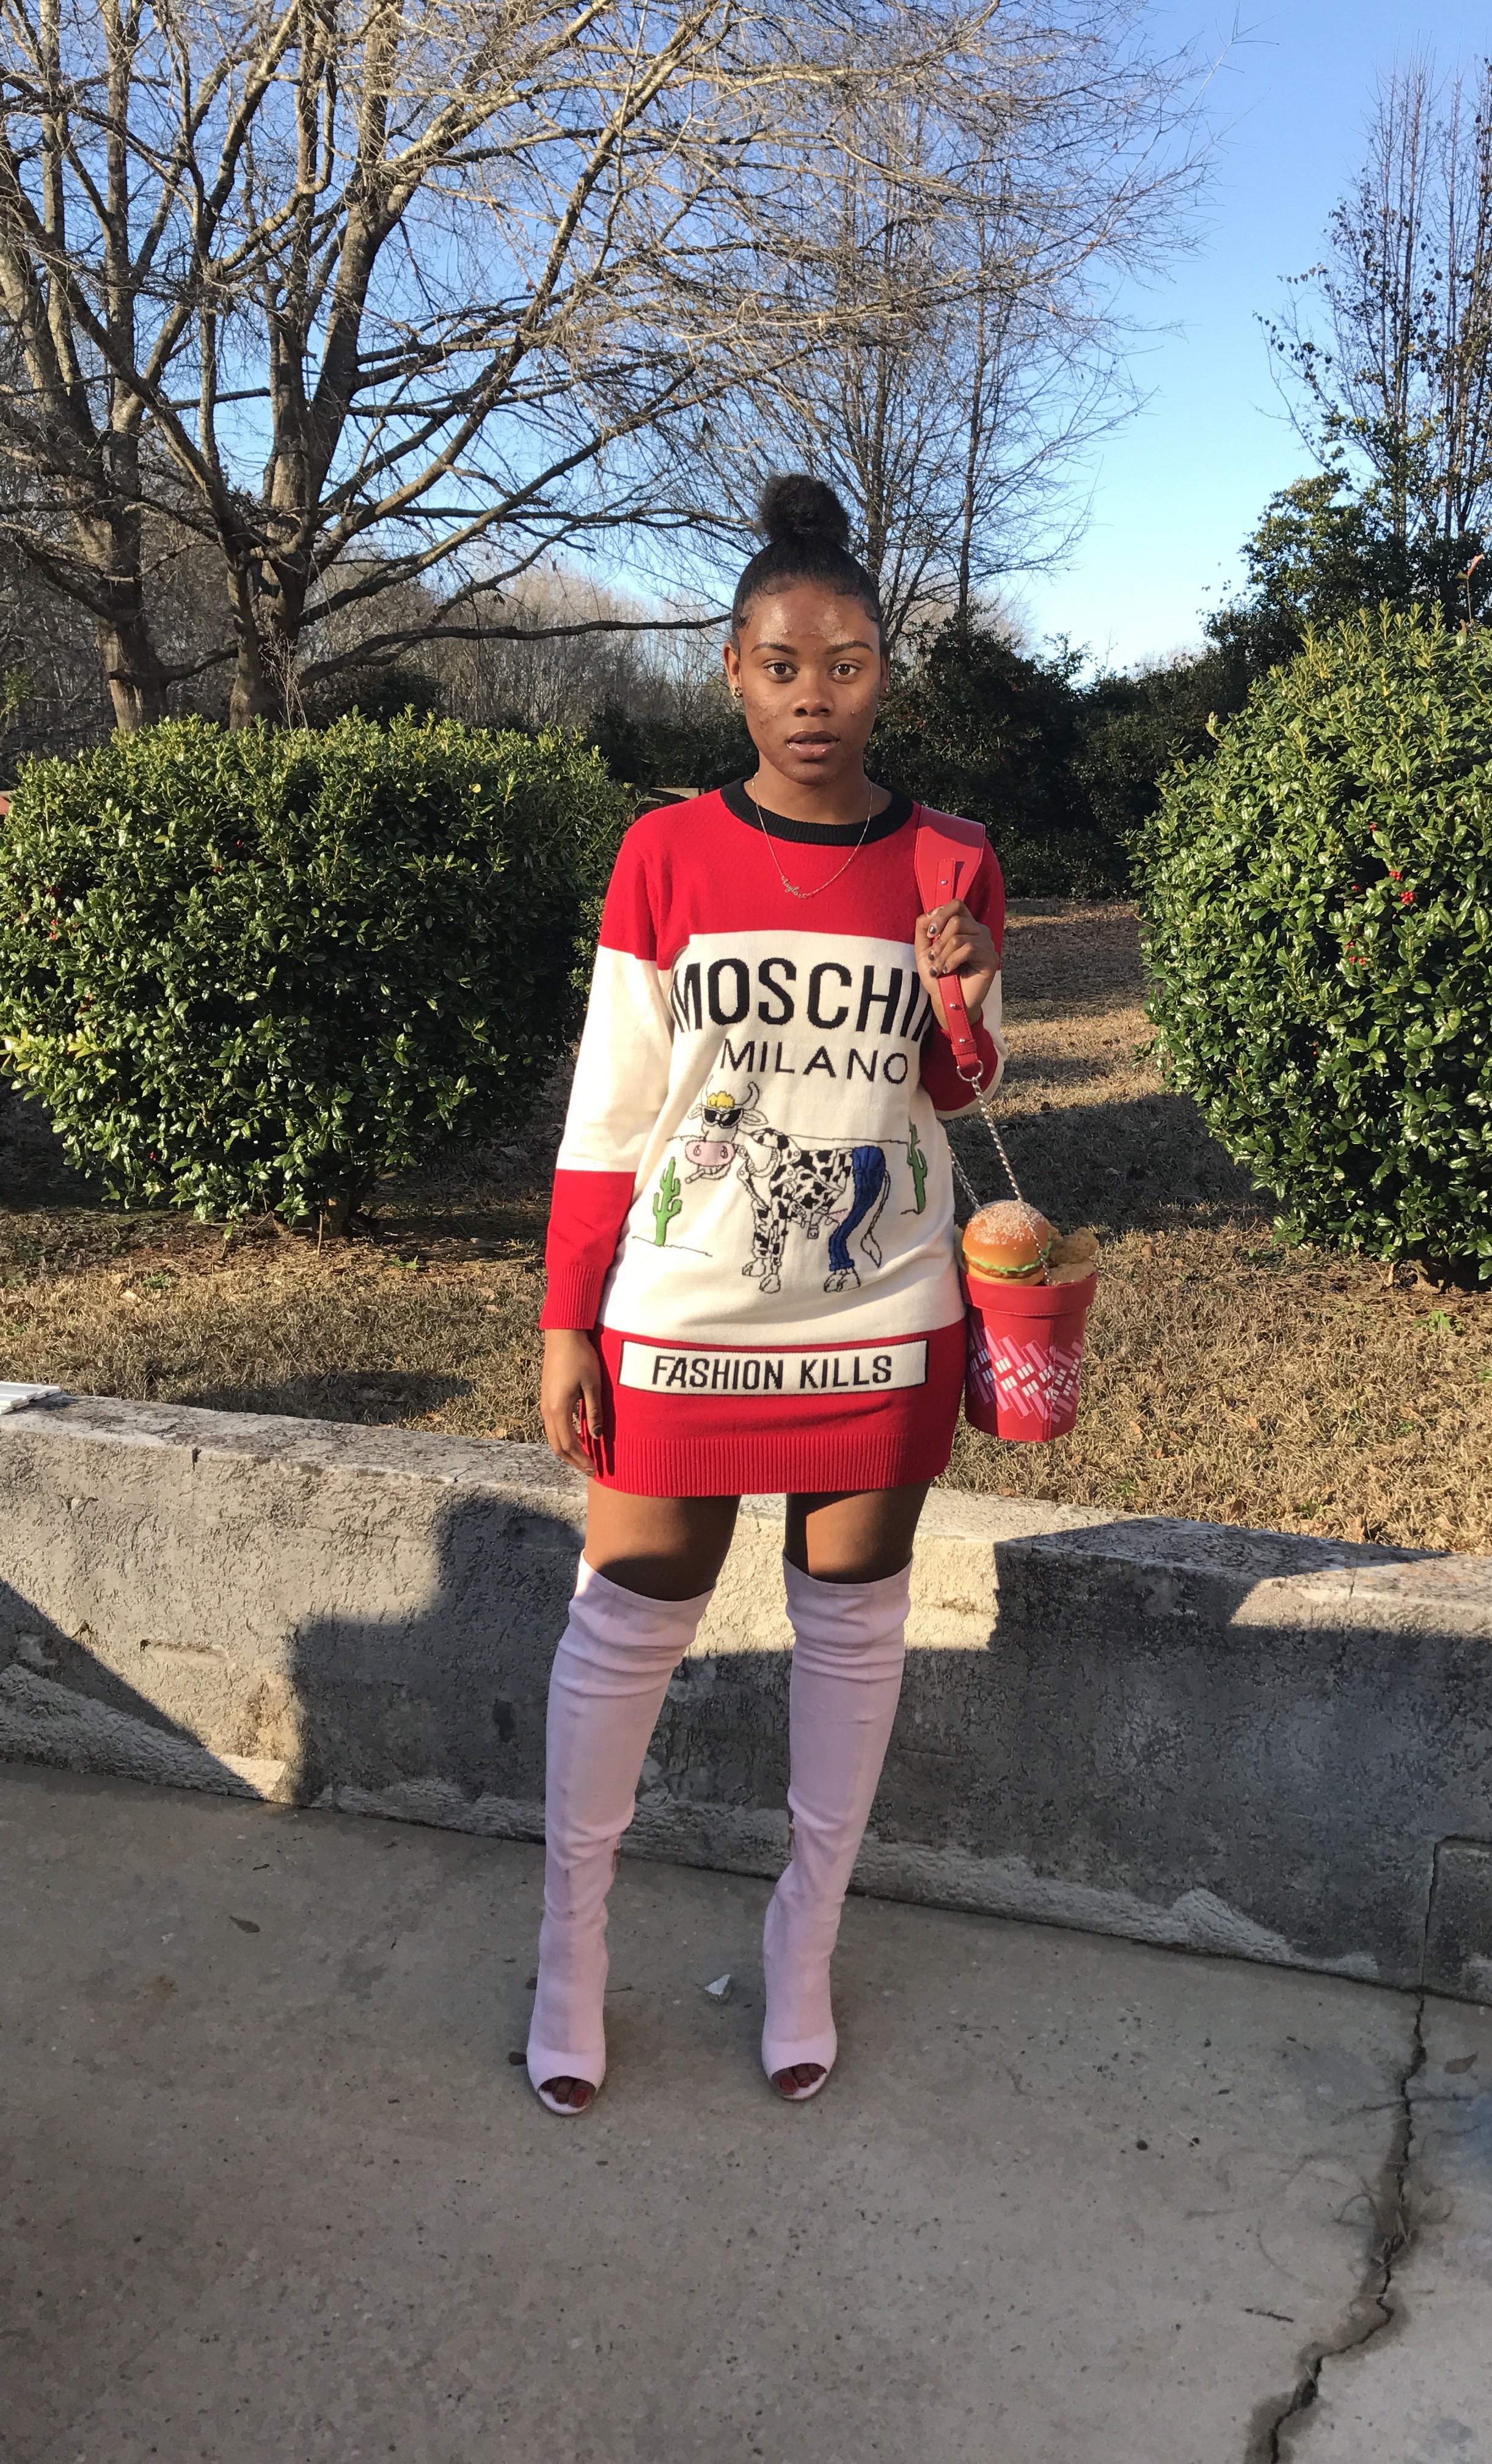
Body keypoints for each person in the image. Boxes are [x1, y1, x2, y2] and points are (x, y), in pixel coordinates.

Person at [529, 473, 1005, 2111]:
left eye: (847, 665)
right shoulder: (663, 854)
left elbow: (960, 1090)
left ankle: (806, 1942)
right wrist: (567, 1319)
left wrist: (962, 991)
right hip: (685, 1311)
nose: (816, 698)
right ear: (732, 671)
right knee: (627, 1620)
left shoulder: (950, 857)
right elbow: (612, 1115)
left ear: (885, 674)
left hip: (883, 1308)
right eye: (783, 665)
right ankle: (571, 1948)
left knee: (852, 1631)